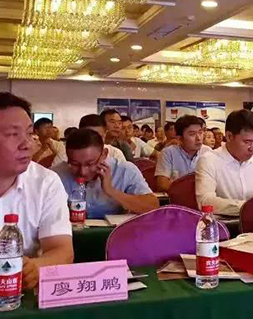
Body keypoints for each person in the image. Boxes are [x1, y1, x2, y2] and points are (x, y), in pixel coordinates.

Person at [0, 92, 73, 289]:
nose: (27, 144)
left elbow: (62, 250)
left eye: (29, 133)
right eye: (13, 134)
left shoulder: (45, 182)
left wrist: (35, 267)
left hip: (16, 293)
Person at [53, 129, 158, 218]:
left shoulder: (124, 170)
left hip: (115, 233)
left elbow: (152, 206)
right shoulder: (56, 175)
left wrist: (111, 191)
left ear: (104, 154)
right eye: (75, 164)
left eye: (90, 163)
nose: (82, 172)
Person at [196, 110, 253, 216]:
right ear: (229, 136)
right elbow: (205, 201)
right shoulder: (209, 160)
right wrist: (247, 207)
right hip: (225, 224)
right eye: (247, 142)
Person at [155, 115, 211, 192]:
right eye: (192, 134)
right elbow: (163, 185)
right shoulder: (168, 153)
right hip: (177, 197)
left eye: (200, 132)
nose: (198, 138)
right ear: (179, 138)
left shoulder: (207, 151)